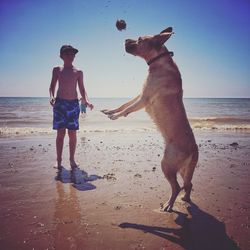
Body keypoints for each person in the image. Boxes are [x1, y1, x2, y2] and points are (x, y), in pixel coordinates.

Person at [49, 45, 93, 169]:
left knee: (72, 134)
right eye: (67, 53)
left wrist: (87, 101)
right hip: (60, 104)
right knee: (60, 133)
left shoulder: (78, 72)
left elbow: (82, 89)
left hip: (73, 105)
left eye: (72, 54)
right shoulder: (57, 70)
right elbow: (52, 86)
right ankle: (58, 160)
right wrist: (52, 97)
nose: (70, 56)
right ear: (61, 56)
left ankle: (72, 159)